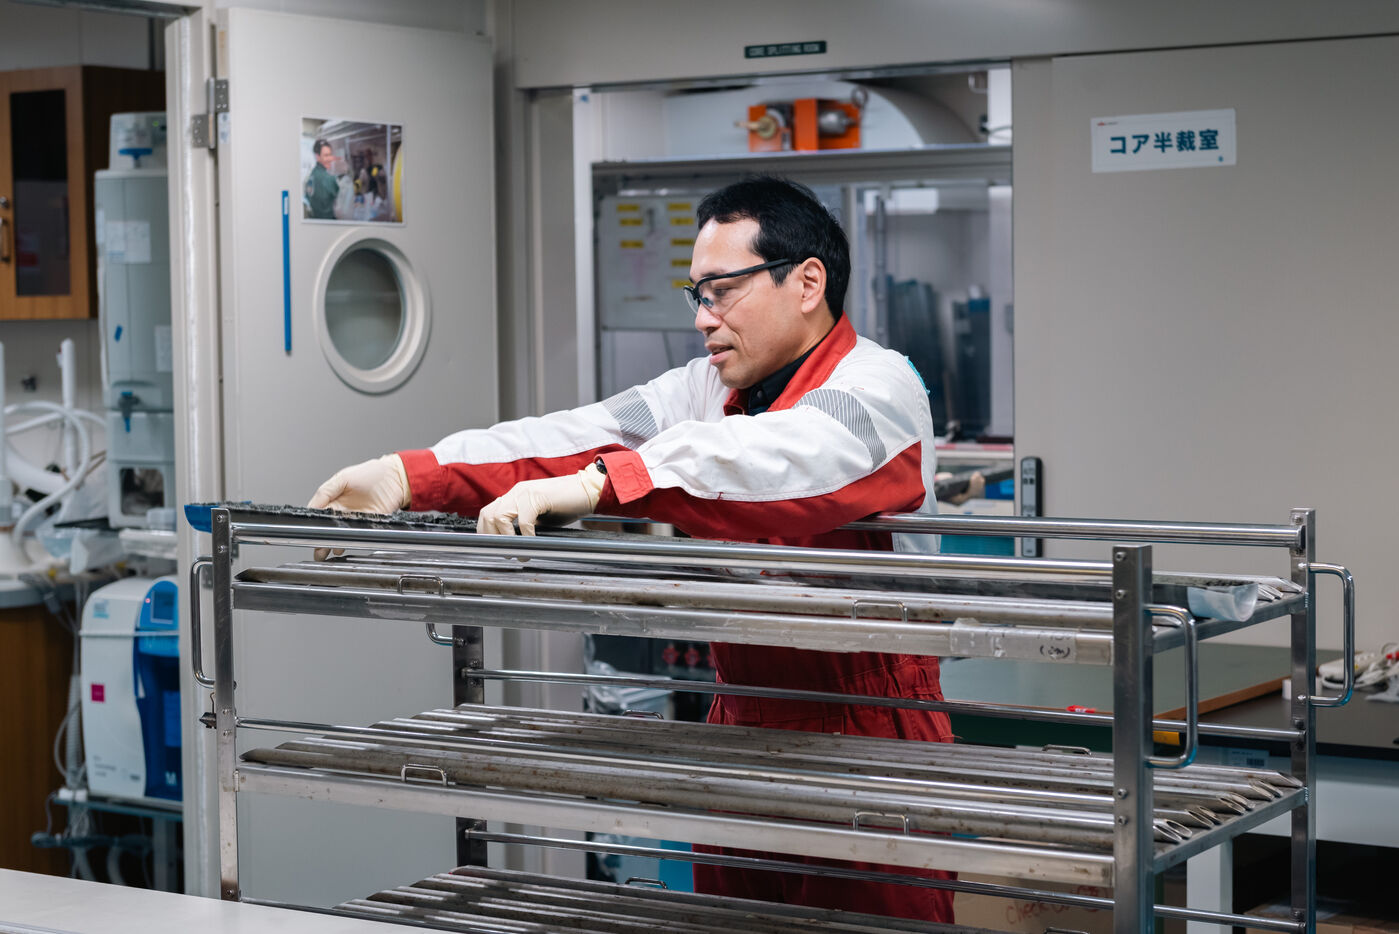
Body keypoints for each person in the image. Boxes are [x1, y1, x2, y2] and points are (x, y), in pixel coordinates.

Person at [308, 176, 953, 921]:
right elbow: (572, 436)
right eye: (696, 295)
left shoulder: (879, 386)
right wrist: (414, 473)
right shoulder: (704, 388)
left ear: (807, 282)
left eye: (722, 291)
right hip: (740, 720)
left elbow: (782, 461)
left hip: (869, 726)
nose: (703, 319)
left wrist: (606, 483)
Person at [304, 138, 339, 220]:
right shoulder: (328, 178)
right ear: (317, 156)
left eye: (330, 155)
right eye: (326, 155)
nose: (330, 159)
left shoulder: (311, 175)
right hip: (328, 222)